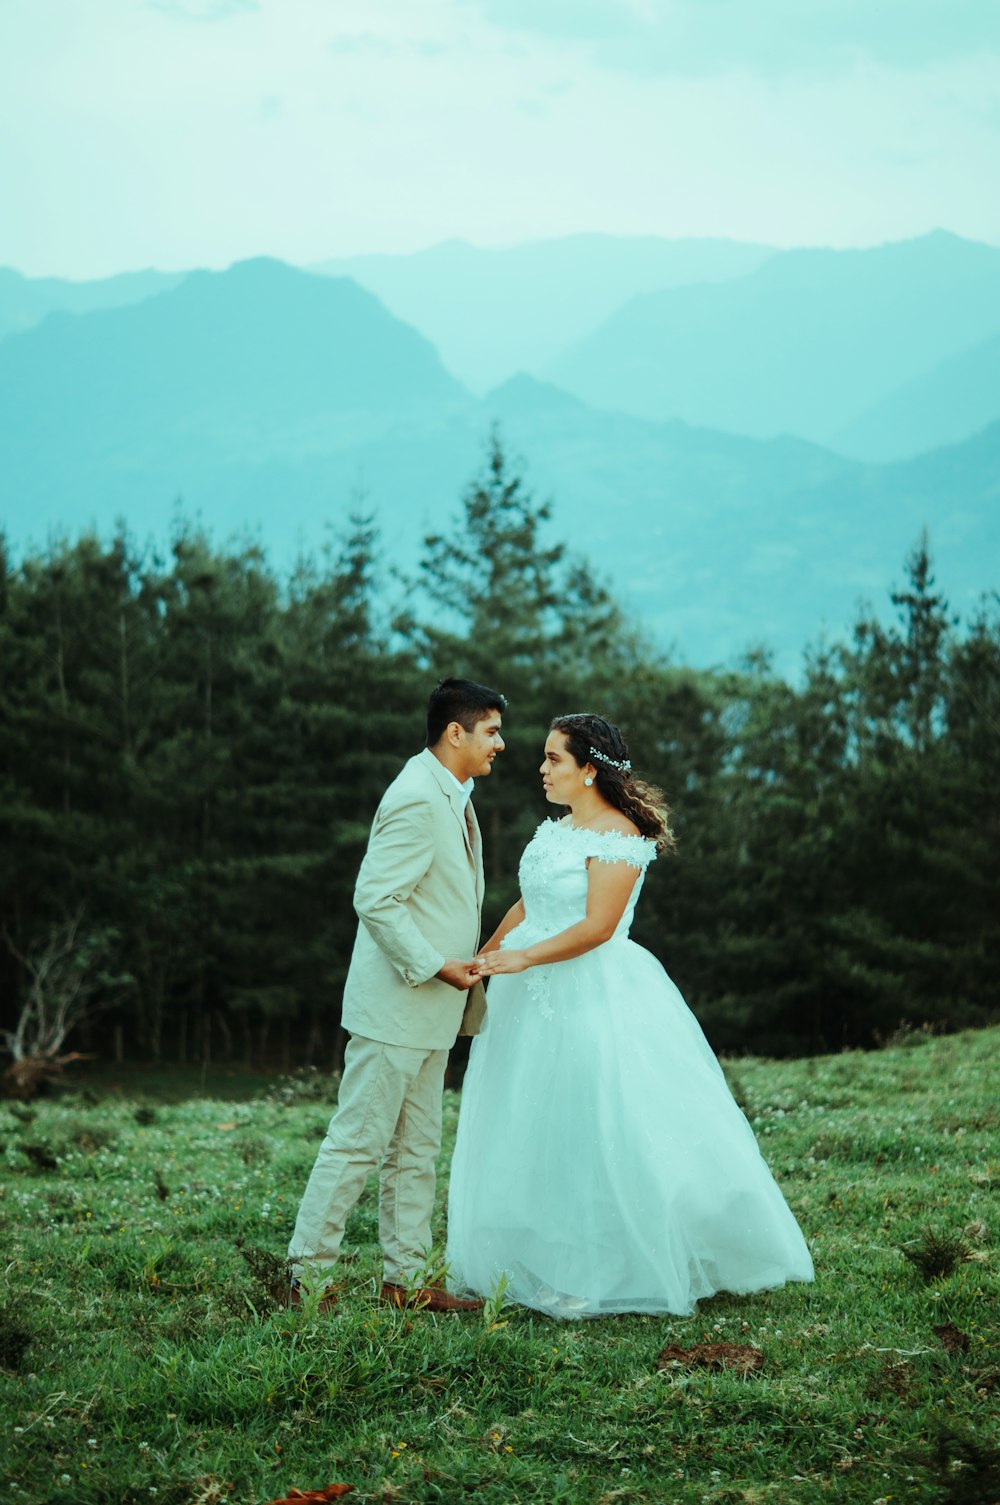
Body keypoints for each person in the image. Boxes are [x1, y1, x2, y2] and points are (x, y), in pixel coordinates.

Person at [446, 712, 814, 1318]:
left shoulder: (619, 837)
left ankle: (605, 1264)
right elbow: (527, 902)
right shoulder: (558, 829)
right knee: (530, 1122)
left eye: (553, 760)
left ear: (589, 770)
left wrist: (525, 959)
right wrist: (485, 958)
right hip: (526, 995)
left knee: (589, 1124)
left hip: (591, 994)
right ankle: (539, 1254)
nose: (540, 768)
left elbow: (597, 928)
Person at [288, 677, 506, 1313]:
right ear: (455, 732)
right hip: (395, 1008)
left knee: (416, 1151)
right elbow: (375, 899)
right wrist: (436, 965)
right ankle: (307, 1280)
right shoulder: (416, 794)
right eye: (491, 731)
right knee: (357, 1143)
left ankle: (405, 1282)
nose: (501, 744)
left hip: (432, 1016)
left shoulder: (452, 794)